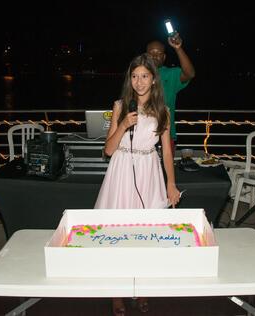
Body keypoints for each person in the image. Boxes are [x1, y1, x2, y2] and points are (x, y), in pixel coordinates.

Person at [94, 53, 180, 315]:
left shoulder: (163, 111)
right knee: (117, 235)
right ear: (129, 80)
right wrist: (122, 125)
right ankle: (117, 293)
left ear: (154, 79)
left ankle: (142, 288)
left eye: (144, 76)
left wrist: (171, 185)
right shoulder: (120, 105)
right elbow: (108, 150)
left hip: (148, 171)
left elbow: (166, 152)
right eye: (135, 76)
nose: (139, 82)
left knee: (146, 235)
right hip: (121, 172)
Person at [146, 33, 195, 153]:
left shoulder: (171, 74)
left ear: (164, 57)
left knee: (166, 170)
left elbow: (190, 74)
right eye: (151, 53)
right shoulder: (138, 76)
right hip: (141, 134)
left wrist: (178, 48)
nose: (155, 56)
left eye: (159, 54)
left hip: (166, 134)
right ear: (146, 56)